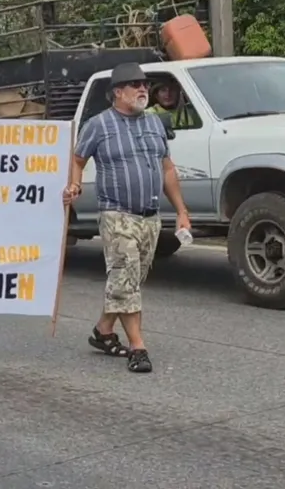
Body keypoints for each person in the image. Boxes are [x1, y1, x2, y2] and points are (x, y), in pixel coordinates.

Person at [63, 62, 191, 373]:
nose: (143, 89)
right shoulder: (98, 125)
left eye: (144, 84)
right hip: (117, 215)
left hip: (151, 217)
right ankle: (138, 347)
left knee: (129, 281)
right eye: (135, 85)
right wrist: (74, 183)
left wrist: (182, 211)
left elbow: (167, 168)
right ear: (117, 93)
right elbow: (77, 159)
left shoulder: (155, 124)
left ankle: (103, 331)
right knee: (125, 278)